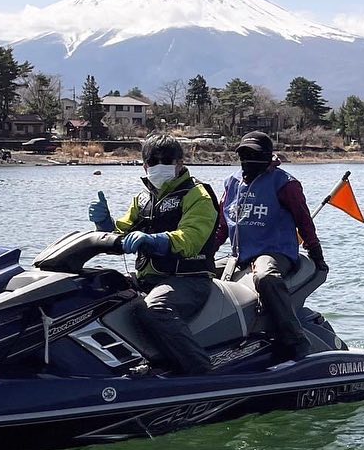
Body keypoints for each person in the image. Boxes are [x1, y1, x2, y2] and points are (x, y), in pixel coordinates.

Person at [88, 134, 221, 375]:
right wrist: (104, 226)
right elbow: (122, 233)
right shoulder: (142, 199)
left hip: (188, 279)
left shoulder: (197, 195)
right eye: (153, 160)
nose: (160, 164)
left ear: (180, 162)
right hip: (148, 278)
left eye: (167, 160)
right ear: (144, 165)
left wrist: (154, 240)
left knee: (155, 308)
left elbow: (191, 239)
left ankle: (200, 372)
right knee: (96, 291)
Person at [219, 131, 328, 361]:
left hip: (274, 253)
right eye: (244, 154)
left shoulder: (285, 184)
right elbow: (219, 226)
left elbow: (303, 219)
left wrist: (315, 250)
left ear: (268, 156)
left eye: (254, 154)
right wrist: (200, 256)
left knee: (266, 275)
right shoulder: (232, 184)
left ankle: (294, 338)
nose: (248, 159)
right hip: (239, 256)